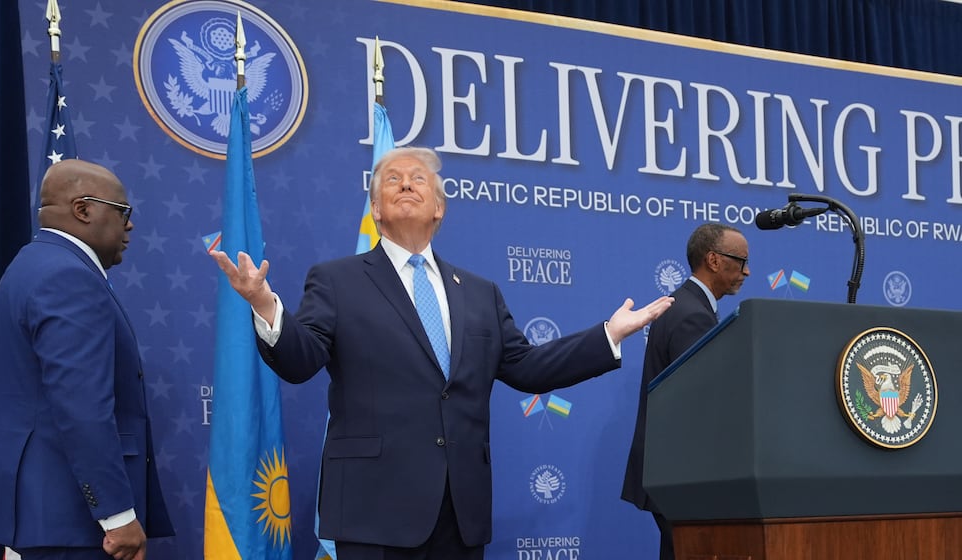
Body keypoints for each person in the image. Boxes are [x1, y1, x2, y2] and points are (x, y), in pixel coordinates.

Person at [211, 146, 674, 560]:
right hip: (374, 513)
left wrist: (608, 334)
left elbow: (528, 368)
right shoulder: (337, 280)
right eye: (392, 179)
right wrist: (265, 304)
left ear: (439, 208)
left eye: (418, 179)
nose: (406, 182)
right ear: (375, 207)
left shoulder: (480, 293)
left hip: (461, 512)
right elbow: (300, 359)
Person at [0, 160, 174, 560]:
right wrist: (117, 515)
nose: (129, 225)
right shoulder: (68, 277)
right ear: (83, 209)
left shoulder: (30, 265)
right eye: (122, 212)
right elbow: (82, 406)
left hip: (38, 516)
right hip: (72, 522)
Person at [621, 222, 749, 560]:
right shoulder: (692, 315)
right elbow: (699, 405)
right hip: (684, 478)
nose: (747, 271)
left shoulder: (683, 305)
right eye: (740, 261)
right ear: (714, 260)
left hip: (673, 476)